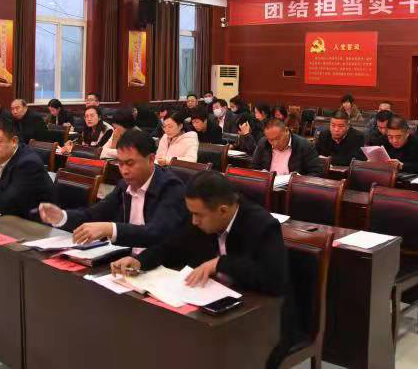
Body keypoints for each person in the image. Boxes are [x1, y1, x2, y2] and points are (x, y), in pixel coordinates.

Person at [110, 171, 295, 369]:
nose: (194, 221)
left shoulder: (261, 225)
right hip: (210, 308)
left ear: (223, 210)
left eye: (198, 215)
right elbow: (173, 246)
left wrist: (220, 263)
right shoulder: (202, 218)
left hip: (258, 315)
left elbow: (273, 279)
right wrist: (139, 261)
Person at [40, 129, 187, 249]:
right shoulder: (124, 185)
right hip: (126, 260)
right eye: (121, 164)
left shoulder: (171, 187)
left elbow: (157, 232)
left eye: (130, 163)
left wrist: (111, 229)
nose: (124, 171)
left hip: (161, 267)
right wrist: (62, 217)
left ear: (151, 159)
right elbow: (94, 215)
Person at [252, 119, 324, 176]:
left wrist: (296, 180)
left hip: (292, 188)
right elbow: (255, 167)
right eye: (271, 140)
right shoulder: (263, 143)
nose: (275, 143)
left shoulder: (305, 145)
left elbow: (317, 172)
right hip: (267, 186)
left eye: (278, 138)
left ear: (286, 131)